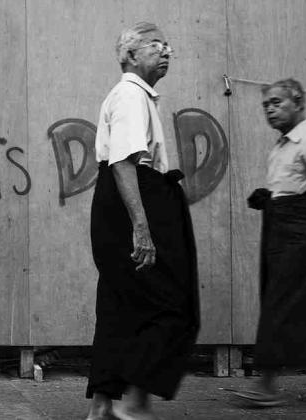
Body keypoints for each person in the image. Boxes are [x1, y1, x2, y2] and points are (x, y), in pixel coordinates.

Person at [85, 22, 200, 420]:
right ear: (131, 55)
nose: (166, 51)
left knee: (120, 304)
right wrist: (142, 228)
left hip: (123, 198)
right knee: (172, 304)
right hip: (135, 198)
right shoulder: (131, 95)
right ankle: (133, 402)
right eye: (155, 45)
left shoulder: (134, 96)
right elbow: (123, 162)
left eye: (167, 45)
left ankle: (103, 405)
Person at [232, 78, 306, 407]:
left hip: (305, 232)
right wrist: (268, 198)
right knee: (303, 302)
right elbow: (293, 187)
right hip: (281, 227)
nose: (269, 110)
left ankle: (267, 384)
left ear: (298, 103)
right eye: (265, 105)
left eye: (277, 102)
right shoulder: (281, 147)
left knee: (280, 300)